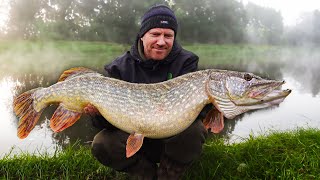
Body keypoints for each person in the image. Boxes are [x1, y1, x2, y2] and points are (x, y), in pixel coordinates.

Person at [90, 4, 208, 180]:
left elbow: (197, 113)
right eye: (155, 34)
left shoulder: (186, 62)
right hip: (135, 137)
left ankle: (170, 171)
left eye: (168, 35)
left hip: (170, 138)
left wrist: (210, 104)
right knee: (102, 143)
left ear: (174, 37)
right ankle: (142, 172)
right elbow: (104, 125)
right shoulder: (119, 68)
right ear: (143, 36)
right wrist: (96, 113)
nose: (161, 41)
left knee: (195, 130)